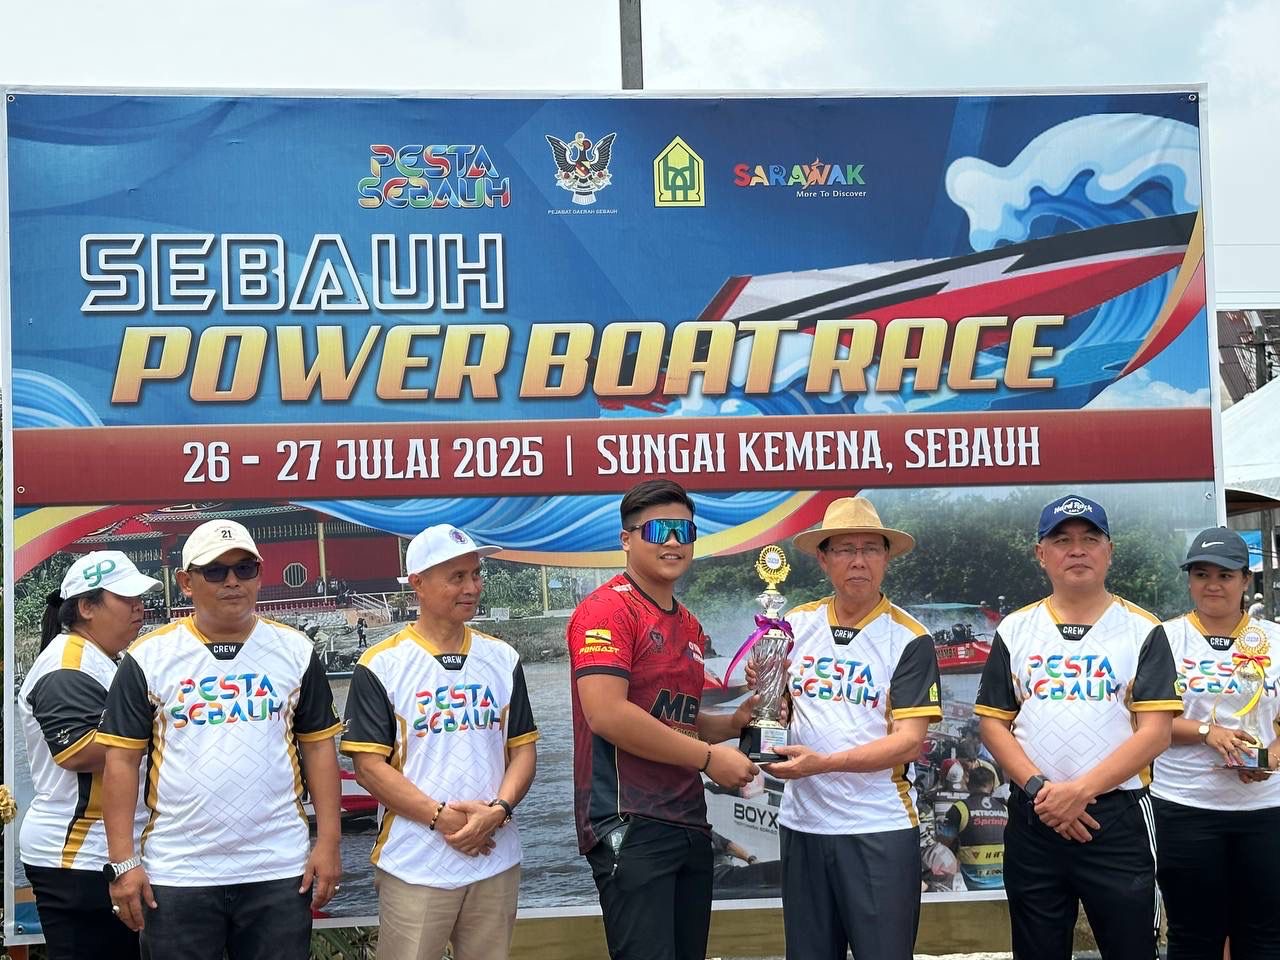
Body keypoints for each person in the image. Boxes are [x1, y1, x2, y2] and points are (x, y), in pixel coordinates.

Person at [98, 519, 343, 959]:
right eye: (215, 571)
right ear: (186, 582)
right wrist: (123, 862)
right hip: (178, 872)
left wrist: (328, 843)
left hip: (277, 867)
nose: (232, 582)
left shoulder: (296, 652)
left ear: (259, 575)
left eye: (244, 569)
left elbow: (319, 748)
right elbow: (120, 763)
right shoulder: (147, 658)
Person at [975, 494, 1182, 960]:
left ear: (1109, 551)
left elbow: (1157, 732)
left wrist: (1080, 792)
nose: (1077, 550)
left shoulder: (1144, 629)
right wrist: (1041, 790)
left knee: (1132, 949)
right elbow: (993, 724)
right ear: (1041, 553)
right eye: (1062, 540)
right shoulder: (1015, 629)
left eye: (1090, 539)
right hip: (1035, 817)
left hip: (1117, 818)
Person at [568, 479, 759, 960]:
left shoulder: (689, 624)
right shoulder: (606, 610)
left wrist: (735, 722)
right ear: (626, 539)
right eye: (658, 530)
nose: (673, 541)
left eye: (684, 531)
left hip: (688, 819)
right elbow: (608, 714)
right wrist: (709, 758)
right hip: (629, 820)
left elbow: (681, 719)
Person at [342, 524, 537, 960]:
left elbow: (523, 749)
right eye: (457, 577)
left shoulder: (502, 658)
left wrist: (498, 811)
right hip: (415, 861)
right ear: (418, 583)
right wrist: (442, 818)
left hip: (495, 855)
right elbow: (369, 768)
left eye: (476, 574)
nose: (472, 587)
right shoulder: (381, 665)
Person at [761, 496, 942, 960]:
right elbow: (777, 710)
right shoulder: (793, 624)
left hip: (877, 827)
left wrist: (823, 764)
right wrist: (765, 691)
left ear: (886, 558)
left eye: (870, 549)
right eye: (844, 549)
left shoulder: (910, 638)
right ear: (823, 559)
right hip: (803, 825)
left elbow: (908, 743)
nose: (858, 560)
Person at [18, 551, 161, 960]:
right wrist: (168, 730)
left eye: (140, 598)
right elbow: (77, 751)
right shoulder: (68, 664)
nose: (139, 607)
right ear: (86, 607)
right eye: (126, 598)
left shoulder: (102, 660)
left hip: (102, 852)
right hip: (80, 855)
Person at [1149, 527, 1280, 959]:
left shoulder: (1274, 638)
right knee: (1193, 936)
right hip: (1186, 805)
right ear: (1189, 580)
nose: (1213, 585)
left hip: (1266, 809)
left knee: (1265, 936)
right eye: (1201, 574)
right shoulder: (1165, 638)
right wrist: (1209, 733)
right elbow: (1144, 721)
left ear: (1246, 579)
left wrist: (1271, 756)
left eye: (1225, 575)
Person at [937, 763, 1008, 891]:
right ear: (992, 786)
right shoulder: (1004, 809)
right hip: (1003, 883)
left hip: (970, 885)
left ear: (969, 784)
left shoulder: (959, 808)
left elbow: (944, 843)